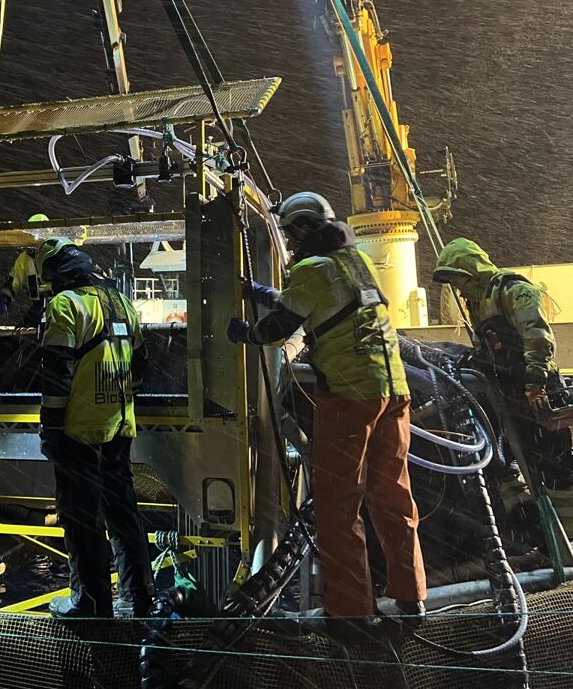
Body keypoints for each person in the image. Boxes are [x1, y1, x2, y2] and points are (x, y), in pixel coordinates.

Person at [228, 191, 426, 620]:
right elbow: (315, 301)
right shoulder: (359, 263)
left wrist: (244, 332)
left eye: (290, 234)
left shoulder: (310, 269)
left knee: (339, 506)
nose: (290, 243)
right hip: (393, 391)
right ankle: (411, 598)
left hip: (349, 396)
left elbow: (279, 326)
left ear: (301, 229)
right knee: (393, 497)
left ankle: (351, 614)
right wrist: (256, 290)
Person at [36, 236, 156, 618]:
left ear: (55, 274)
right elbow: (141, 369)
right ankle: (139, 597)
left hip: (78, 433)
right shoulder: (121, 303)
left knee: (82, 518)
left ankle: (89, 602)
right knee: (123, 515)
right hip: (119, 428)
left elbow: (56, 375)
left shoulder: (65, 306)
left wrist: (51, 429)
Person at [432, 238, 573, 529]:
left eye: (458, 278)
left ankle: (567, 538)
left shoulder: (512, 290)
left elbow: (538, 337)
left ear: (473, 269)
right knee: (506, 462)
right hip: (506, 395)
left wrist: (535, 383)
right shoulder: (478, 302)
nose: (457, 287)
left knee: (555, 466)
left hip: (537, 393)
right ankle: (533, 529)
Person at [0, 214, 51, 326]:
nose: (36, 238)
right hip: (39, 306)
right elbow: (13, 281)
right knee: (20, 336)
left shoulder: (54, 254)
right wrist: (4, 299)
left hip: (58, 303)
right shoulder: (25, 259)